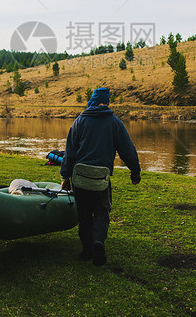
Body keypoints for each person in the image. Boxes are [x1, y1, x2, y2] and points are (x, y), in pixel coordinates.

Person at [61, 87, 141, 266]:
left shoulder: (79, 121)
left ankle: (87, 251)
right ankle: (98, 242)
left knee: (83, 214)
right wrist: (135, 171)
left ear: (92, 101)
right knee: (101, 211)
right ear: (107, 103)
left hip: (79, 177)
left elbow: (69, 151)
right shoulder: (115, 123)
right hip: (101, 179)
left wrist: (65, 176)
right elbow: (127, 151)